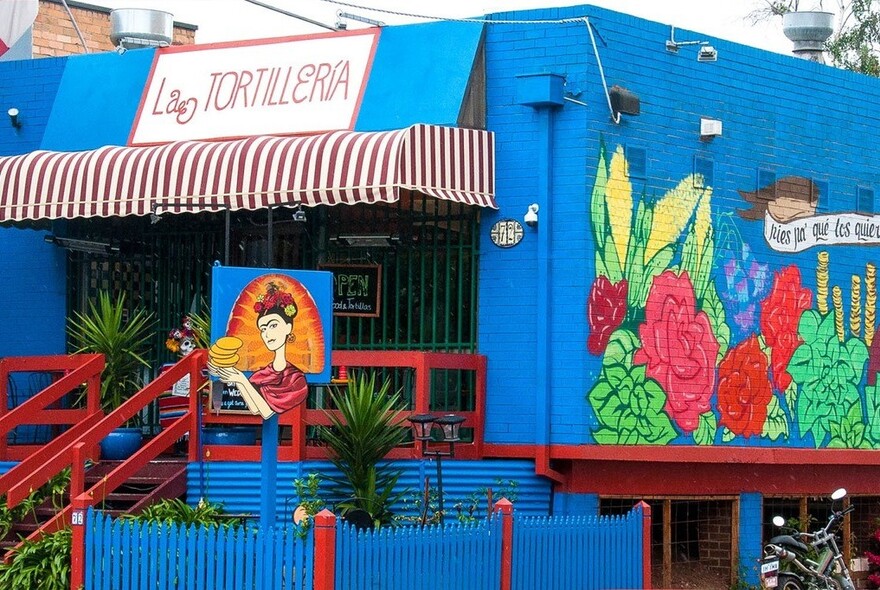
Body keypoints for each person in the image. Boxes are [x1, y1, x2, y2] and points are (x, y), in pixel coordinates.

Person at [209, 282, 308, 419]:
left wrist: (241, 380)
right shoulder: (261, 374)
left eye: (273, 325)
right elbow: (255, 409)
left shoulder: (297, 380)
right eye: (263, 329)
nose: (267, 334)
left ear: (288, 327)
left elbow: (267, 412)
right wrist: (238, 379)